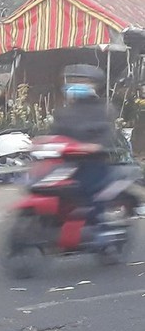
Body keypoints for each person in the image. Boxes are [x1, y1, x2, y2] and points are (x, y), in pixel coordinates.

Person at [50, 64, 116, 223]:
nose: (75, 84)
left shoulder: (103, 110)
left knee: (91, 196)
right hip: (66, 163)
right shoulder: (64, 112)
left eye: (81, 80)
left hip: (92, 163)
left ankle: (98, 229)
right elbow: (54, 134)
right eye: (72, 80)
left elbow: (108, 134)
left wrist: (95, 146)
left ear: (95, 85)